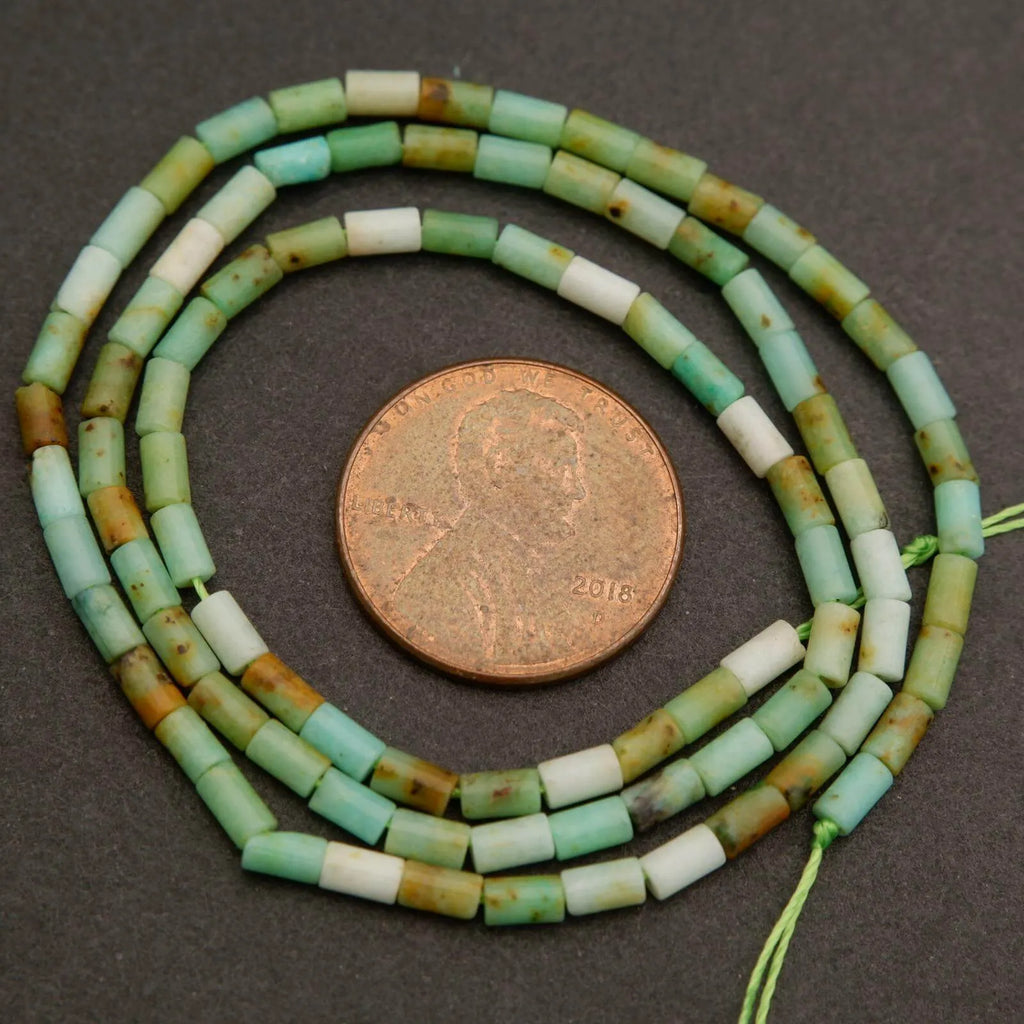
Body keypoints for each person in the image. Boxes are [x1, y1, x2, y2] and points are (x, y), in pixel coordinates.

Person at [391, 387, 587, 667]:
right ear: (500, 465)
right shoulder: (443, 589)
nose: (576, 491)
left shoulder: (525, 570)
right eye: (560, 466)